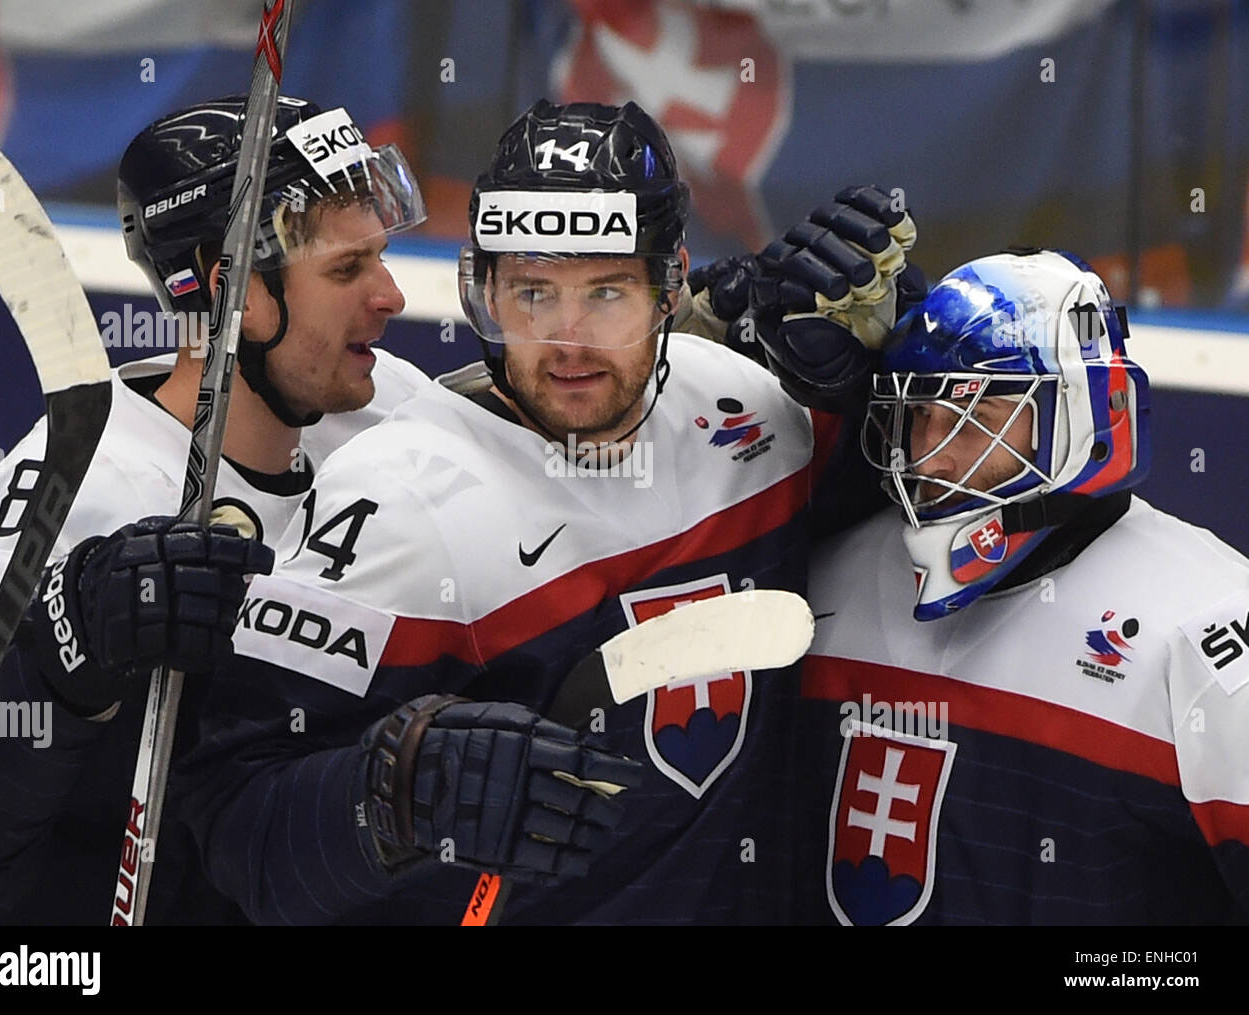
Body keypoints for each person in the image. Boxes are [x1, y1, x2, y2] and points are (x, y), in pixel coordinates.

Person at [175, 98, 920, 925]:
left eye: (606, 292)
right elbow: (240, 826)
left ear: (670, 287)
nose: (569, 342)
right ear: (484, 289)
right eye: (533, 291)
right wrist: (390, 794)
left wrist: (887, 362)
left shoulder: (751, 407)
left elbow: (917, 510)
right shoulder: (398, 500)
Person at [0, 95, 429, 924]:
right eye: (347, 270)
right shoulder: (77, 479)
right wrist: (73, 642)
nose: (389, 296)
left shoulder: (390, 413)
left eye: (380, 258)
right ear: (229, 286)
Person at [798, 248, 1249, 925]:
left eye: (976, 418)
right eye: (919, 415)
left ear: (1080, 418)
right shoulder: (823, 580)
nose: (931, 454)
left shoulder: (1209, 631)